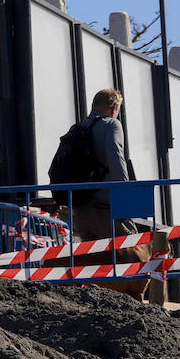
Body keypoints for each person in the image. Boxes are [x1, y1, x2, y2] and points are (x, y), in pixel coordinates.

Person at [66, 89, 153, 301]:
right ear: (114, 107)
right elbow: (117, 160)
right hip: (106, 205)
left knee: (93, 259)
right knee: (129, 253)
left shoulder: (78, 128)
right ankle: (134, 303)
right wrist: (126, 197)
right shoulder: (112, 125)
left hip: (80, 206)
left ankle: (97, 304)